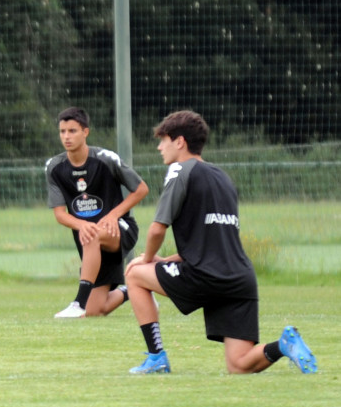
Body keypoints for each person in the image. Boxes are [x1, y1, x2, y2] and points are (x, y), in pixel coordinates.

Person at [124, 110, 317, 374]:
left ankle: (156, 357)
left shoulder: (179, 170)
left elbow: (157, 229)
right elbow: (213, 238)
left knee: (134, 274)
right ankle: (283, 345)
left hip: (206, 276)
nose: (159, 147)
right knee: (239, 365)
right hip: (239, 277)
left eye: (164, 140)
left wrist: (146, 259)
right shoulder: (223, 178)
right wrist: (168, 260)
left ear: (179, 142)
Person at [44, 107, 149, 318]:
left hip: (120, 230)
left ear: (86, 132)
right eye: (62, 131)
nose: (66, 136)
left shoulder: (105, 159)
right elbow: (60, 214)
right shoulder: (54, 167)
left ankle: (78, 303)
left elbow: (141, 189)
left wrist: (112, 215)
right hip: (89, 239)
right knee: (96, 311)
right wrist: (82, 224)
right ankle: (137, 288)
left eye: (72, 131)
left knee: (91, 235)